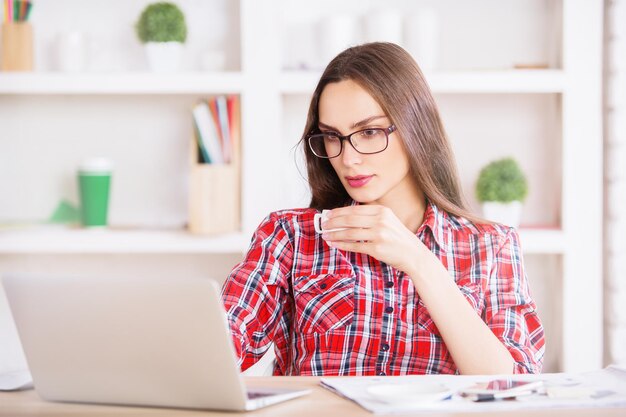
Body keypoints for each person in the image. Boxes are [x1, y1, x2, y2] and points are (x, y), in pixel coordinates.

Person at [221, 42, 545, 376]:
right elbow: (222, 344)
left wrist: (419, 262)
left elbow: (513, 389)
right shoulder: (289, 237)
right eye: (332, 136)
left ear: (415, 126)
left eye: (370, 131)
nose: (348, 158)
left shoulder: (491, 245)